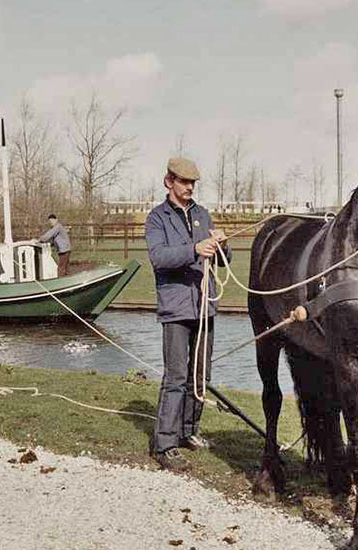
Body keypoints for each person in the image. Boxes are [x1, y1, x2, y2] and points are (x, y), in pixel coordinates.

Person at [145, 157, 231, 471]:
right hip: (176, 308)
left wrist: (222, 244)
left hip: (204, 306)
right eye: (184, 182)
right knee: (176, 377)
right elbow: (159, 258)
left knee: (200, 377)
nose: (189, 187)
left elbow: (223, 261)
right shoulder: (157, 218)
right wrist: (195, 249)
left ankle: (188, 430)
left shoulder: (202, 214)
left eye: (193, 183)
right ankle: (165, 443)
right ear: (169, 181)